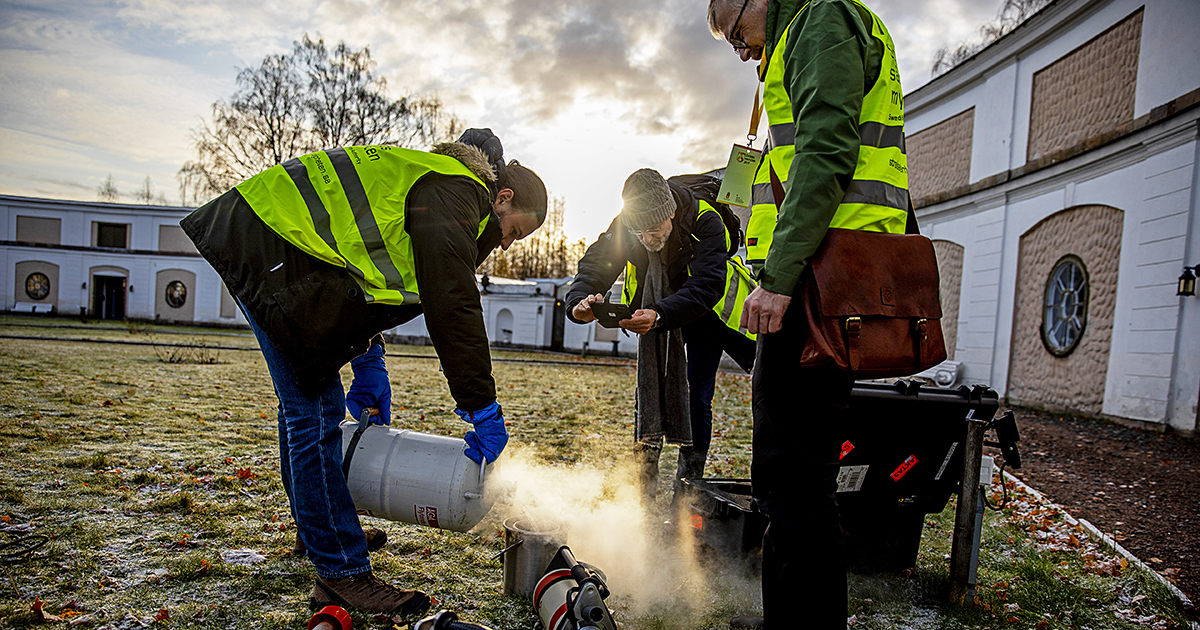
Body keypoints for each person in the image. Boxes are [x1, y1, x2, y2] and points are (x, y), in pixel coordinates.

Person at [180, 129, 547, 617]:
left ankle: (317, 532)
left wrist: (369, 360)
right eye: (514, 231)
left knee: (306, 413)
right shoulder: (459, 193)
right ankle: (340, 573)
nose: (504, 245)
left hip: (275, 243)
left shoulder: (436, 185)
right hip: (272, 245)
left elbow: (362, 271)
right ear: (502, 197)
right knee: (312, 415)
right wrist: (481, 405)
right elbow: (452, 304)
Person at [707, 0, 911, 628]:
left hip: (820, 283)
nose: (737, 48)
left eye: (733, 29)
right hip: (816, 279)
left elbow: (826, 154)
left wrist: (780, 277)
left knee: (795, 482)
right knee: (786, 476)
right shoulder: (799, 37)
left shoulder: (820, 21)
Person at [565, 169, 756, 504]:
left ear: (670, 213)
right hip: (655, 312)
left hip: (705, 313)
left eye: (654, 231)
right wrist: (578, 302)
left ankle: (687, 491)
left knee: (697, 396)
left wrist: (659, 314)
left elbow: (708, 284)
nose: (647, 240)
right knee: (647, 393)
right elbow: (597, 264)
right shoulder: (628, 223)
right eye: (638, 233)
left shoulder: (705, 219)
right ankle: (644, 493)